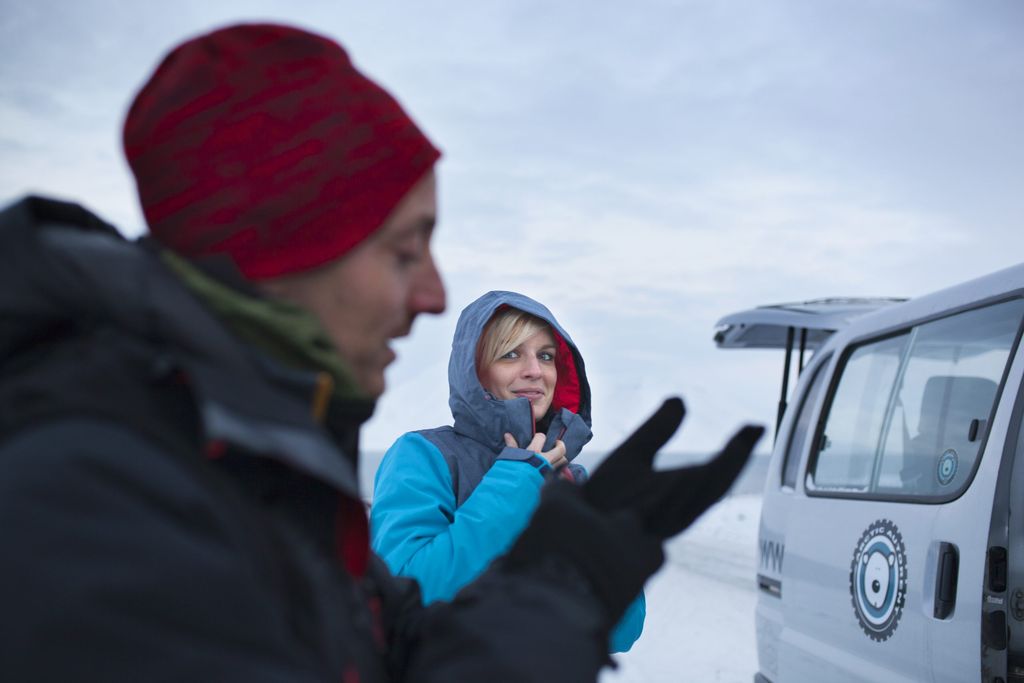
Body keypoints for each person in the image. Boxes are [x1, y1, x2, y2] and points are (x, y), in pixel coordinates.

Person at [0, 22, 764, 682]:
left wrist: (574, 573)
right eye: (404, 252)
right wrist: (522, 494)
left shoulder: (261, 470)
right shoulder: (90, 499)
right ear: (282, 251)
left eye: (548, 355)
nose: (434, 295)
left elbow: (404, 655)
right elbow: (420, 592)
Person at [371, 291, 646, 652]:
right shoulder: (424, 456)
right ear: (476, 372)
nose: (534, 370)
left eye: (546, 356)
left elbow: (622, 628)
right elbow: (407, 595)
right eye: (511, 354)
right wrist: (518, 479)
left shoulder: (572, 480)